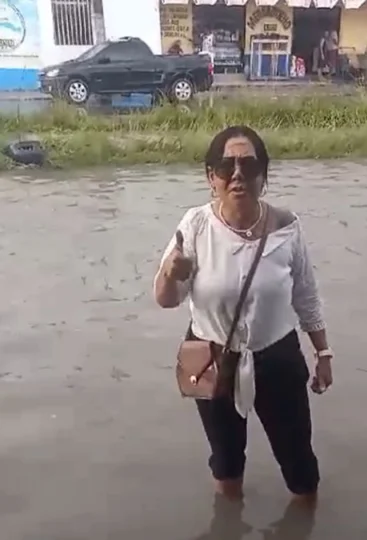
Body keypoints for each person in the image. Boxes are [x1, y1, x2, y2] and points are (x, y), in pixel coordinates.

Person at [153, 125, 333, 502]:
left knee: (300, 466)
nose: (237, 174)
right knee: (226, 462)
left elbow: (306, 295)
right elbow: (166, 300)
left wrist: (323, 353)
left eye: (248, 165)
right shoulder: (195, 225)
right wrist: (172, 273)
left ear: (263, 176)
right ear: (211, 178)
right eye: (225, 165)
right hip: (211, 356)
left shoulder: (287, 226)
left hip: (278, 356)